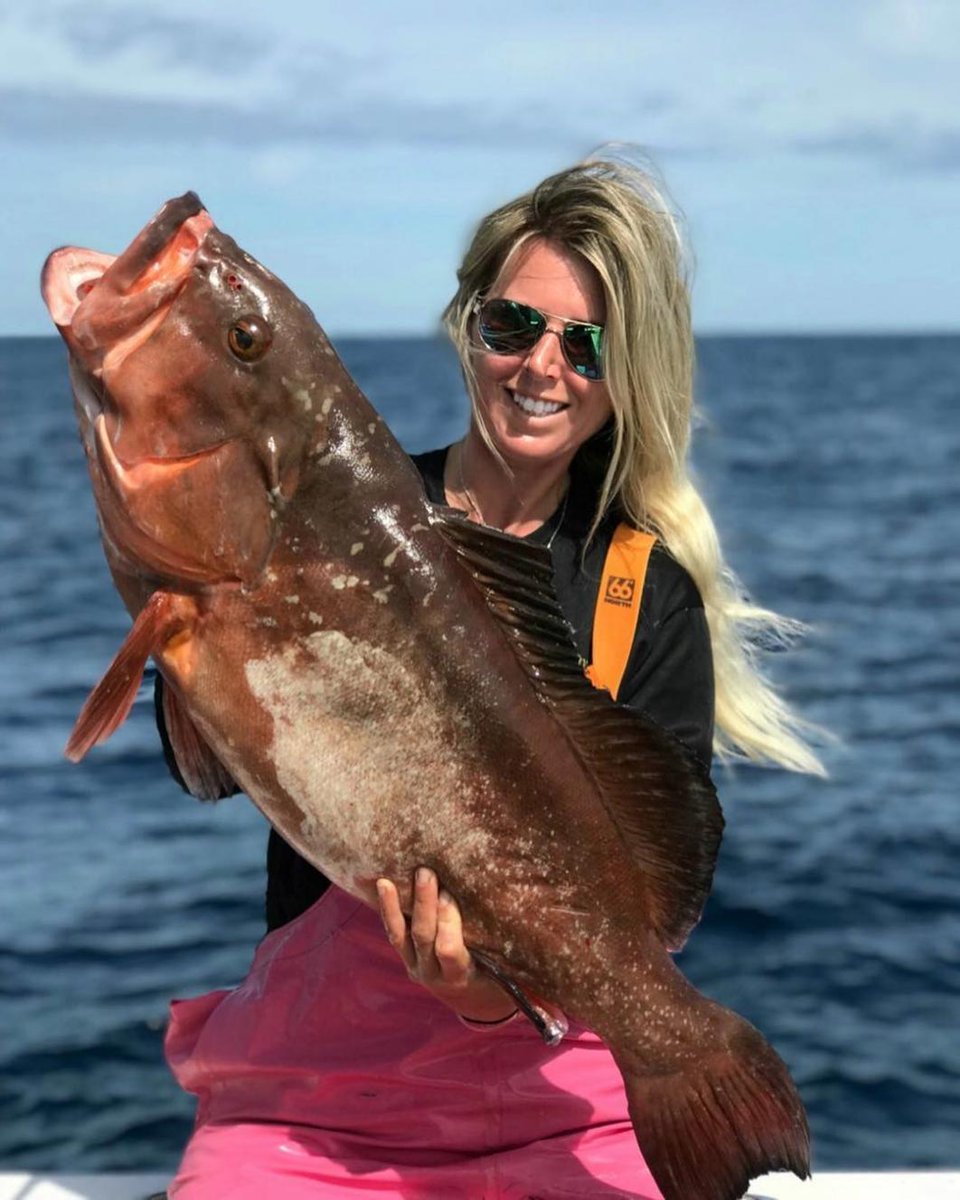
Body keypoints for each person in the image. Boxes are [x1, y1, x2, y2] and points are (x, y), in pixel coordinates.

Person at [158, 156, 823, 1199]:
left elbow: (652, 911)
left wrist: (484, 993)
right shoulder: (344, 512)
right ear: (468, 323)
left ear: (630, 372)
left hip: (568, 1100)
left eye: (587, 345)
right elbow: (202, 765)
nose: (542, 367)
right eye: (513, 326)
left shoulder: (647, 597)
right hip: (310, 1105)